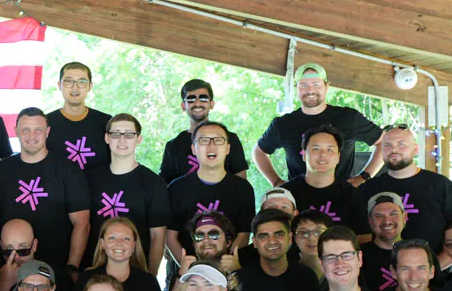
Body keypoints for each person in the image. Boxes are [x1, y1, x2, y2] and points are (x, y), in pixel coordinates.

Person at [0, 108, 91, 274]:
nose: (32, 136)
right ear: (16, 131)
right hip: (11, 266)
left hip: (57, 266)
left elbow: (82, 223)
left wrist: (72, 267)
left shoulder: (68, 169)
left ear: (47, 132)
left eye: (38, 130)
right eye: (26, 130)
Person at [254, 63, 384, 185]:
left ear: (326, 87)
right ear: (296, 89)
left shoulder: (349, 118)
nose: (310, 90)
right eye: (303, 85)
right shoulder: (282, 124)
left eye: (316, 84)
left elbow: (383, 142)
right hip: (299, 200)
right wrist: (276, 182)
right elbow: (259, 152)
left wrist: (364, 176)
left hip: (342, 199)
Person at [358, 126, 452, 253]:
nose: (394, 150)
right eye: (387, 145)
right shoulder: (368, 189)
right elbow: (360, 235)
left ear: (415, 149)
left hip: (436, 268)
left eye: (401, 144)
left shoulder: (441, 185)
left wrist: (436, 268)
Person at [84, 113, 169, 271]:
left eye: (129, 134)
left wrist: (151, 276)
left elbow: (157, 236)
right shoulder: (89, 178)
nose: (122, 140)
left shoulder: (154, 183)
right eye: (116, 134)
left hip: (136, 269)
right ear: (107, 138)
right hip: (94, 267)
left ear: (139, 139)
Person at [165, 121, 255, 264]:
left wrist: (228, 262)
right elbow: (170, 236)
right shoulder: (176, 188)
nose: (211, 146)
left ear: (228, 148)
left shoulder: (243, 188)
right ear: (194, 149)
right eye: (204, 140)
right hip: (189, 269)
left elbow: (244, 234)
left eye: (218, 140)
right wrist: (187, 266)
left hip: (227, 270)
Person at [80, 216, 164, 291]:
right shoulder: (86, 278)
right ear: (102, 243)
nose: (119, 243)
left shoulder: (148, 281)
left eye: (126, 238)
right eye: (112, 238)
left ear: (134, 244)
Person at [160, 79, 249, 182]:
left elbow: (242, 184)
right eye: (191, 99)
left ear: (212, 104)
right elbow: (166, 186)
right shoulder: (173, 146)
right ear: (183, 105)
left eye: (203, 98)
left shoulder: (230, 139)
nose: (197, 103)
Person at [282, 124, 366, 233]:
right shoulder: (286, 195)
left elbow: (363, 238)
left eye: (329, 150)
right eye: (316, 149)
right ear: (304, 155)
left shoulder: (353, 196)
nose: (322, 154)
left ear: (338, 157)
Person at [45, 61, 112, 173]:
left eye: (82, 82)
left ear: (90, 86)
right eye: (69, 81)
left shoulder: (105, 122)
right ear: (59, 85)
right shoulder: (45, 123)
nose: (75, 88)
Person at [359, 192, 406, 291]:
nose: (387, 221)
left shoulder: (421, 251)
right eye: (378, 216)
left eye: (393, 214)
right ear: (370, 221)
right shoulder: (358, 256)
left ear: (404, 217)